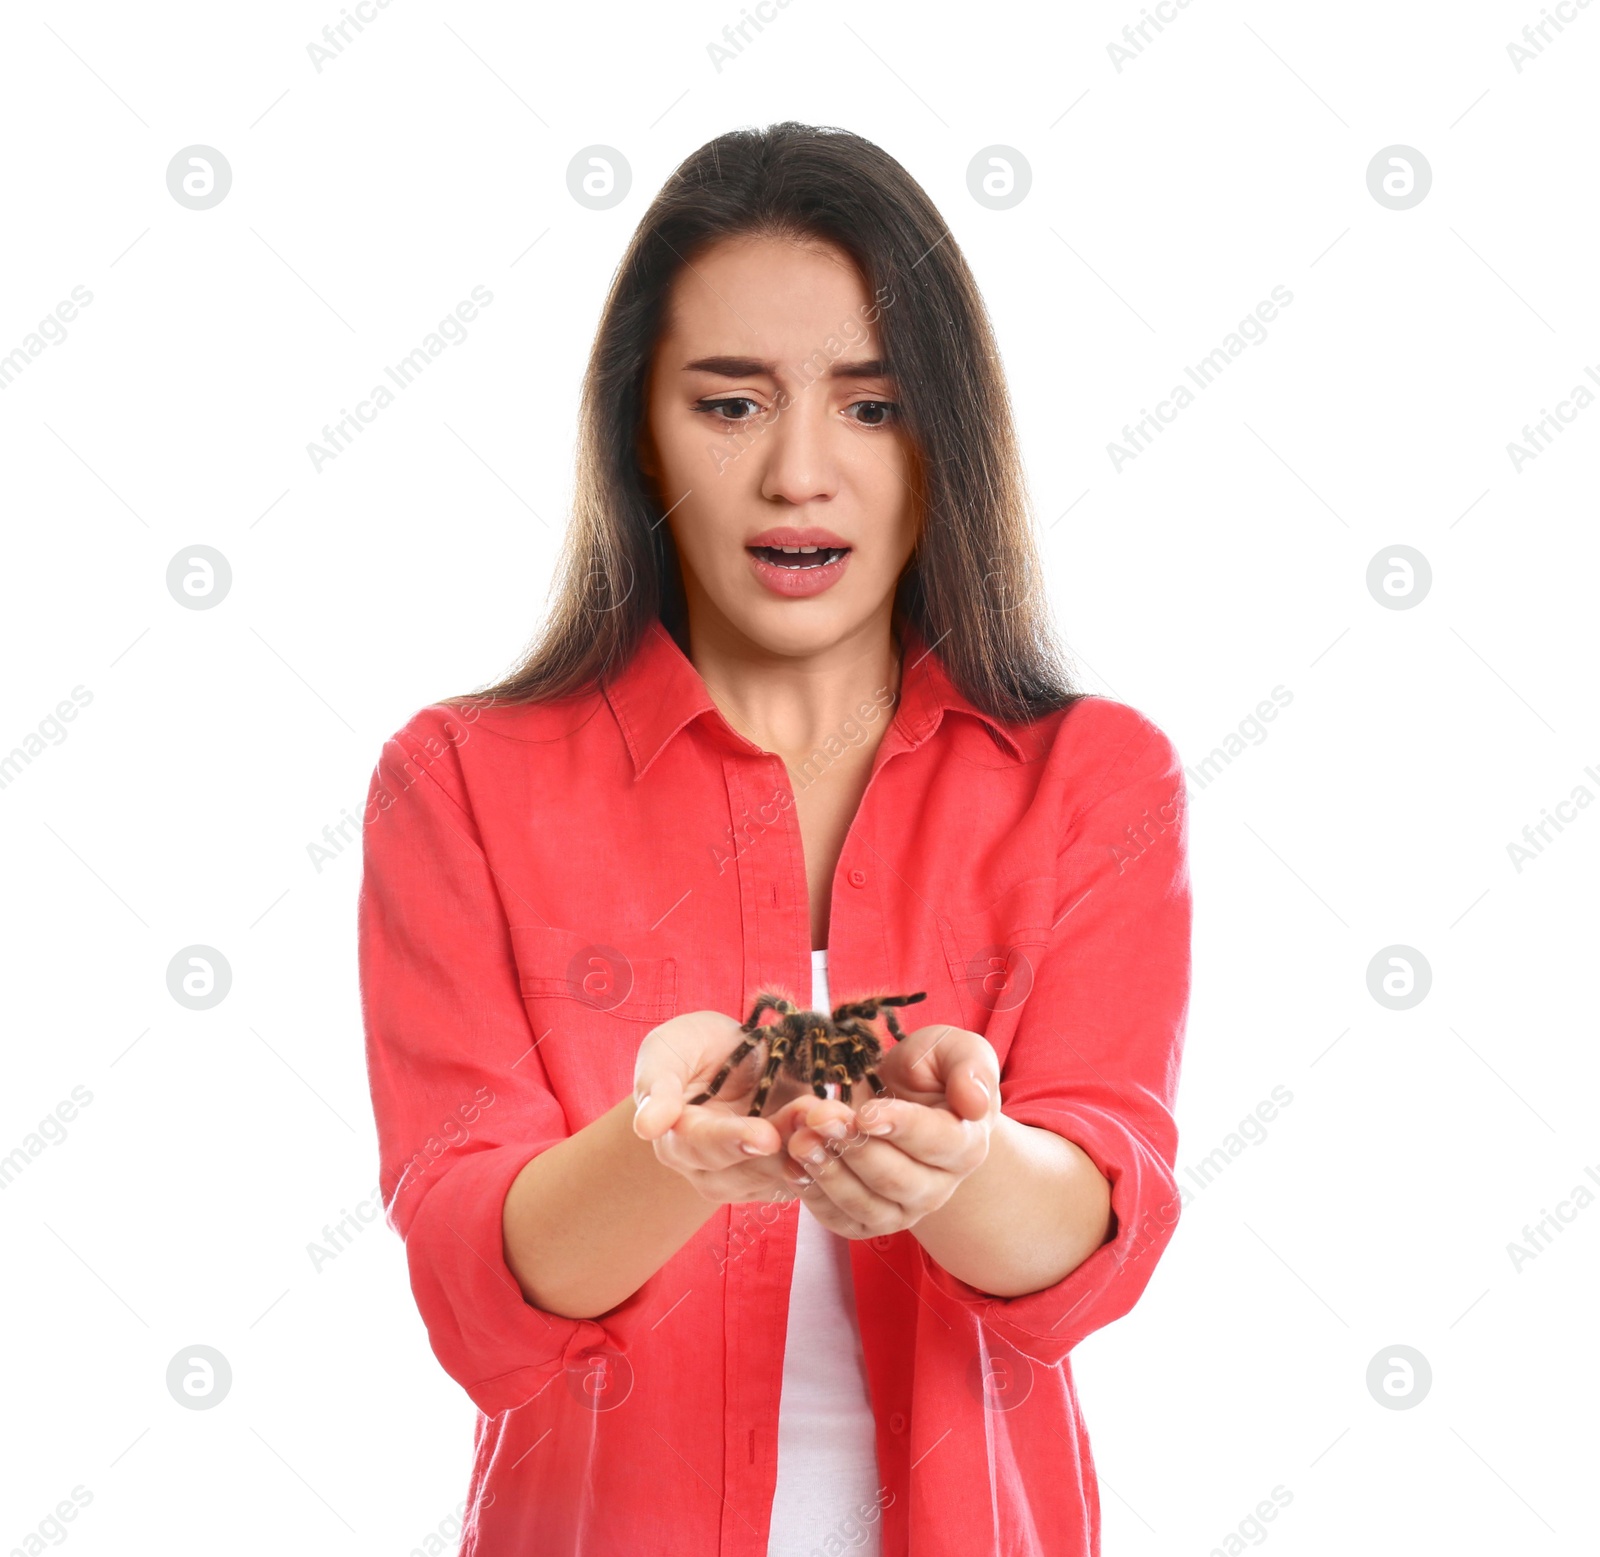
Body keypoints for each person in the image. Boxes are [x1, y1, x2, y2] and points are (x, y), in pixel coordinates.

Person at [358, 121, 1191, 1557]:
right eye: (730, 404)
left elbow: (1087, 1258)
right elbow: (472, 1284)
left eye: (871, 407)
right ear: (640, 426)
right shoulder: (460, 781)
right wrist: (661, 1150)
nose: (800, 472)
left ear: (950, 438)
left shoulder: (1094, 779)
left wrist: (960, 1161)